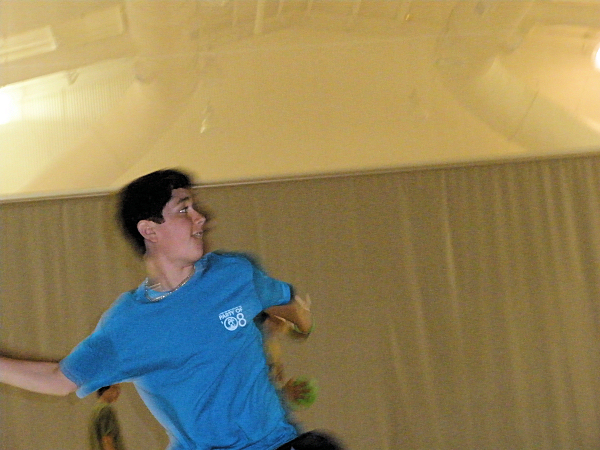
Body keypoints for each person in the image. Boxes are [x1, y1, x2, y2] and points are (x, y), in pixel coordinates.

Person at [0, 168, 341, 450]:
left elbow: (285, 303)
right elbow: (58, 379)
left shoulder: (234, 274)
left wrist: (301, 320)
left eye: (195, 208)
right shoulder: (129, 324)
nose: (200, 218)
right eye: (183, 210)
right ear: (149, 230)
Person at [90, 384, 126, 450]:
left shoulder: (95, 410)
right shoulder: (106, 410)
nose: (118, 392)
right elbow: (107, 440)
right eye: (115, 388)